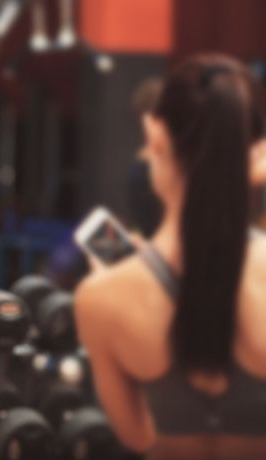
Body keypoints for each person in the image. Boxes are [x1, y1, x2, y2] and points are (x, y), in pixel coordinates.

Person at [74, 54, 266, 460]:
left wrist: (122, 276)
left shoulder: (101, 298)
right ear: (257, 153)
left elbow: (138, 437)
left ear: (155, 135)